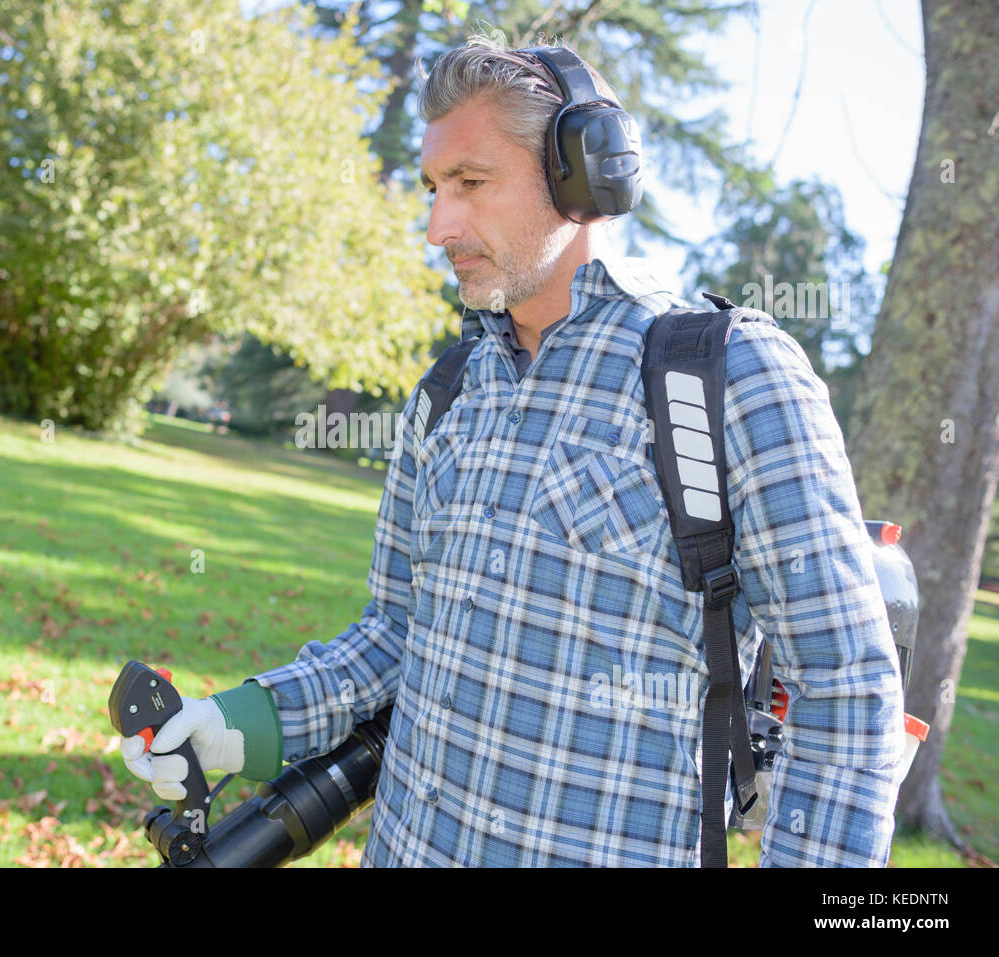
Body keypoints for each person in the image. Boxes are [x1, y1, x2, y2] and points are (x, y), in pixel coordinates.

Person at [119, 36, 905, 867]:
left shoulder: (728, 375)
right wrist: (241, 722)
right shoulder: (447, 391)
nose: (436, 225)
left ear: (580, 173)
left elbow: (845, 689)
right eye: (432, 188)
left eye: (470, 183)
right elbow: (396, 633)